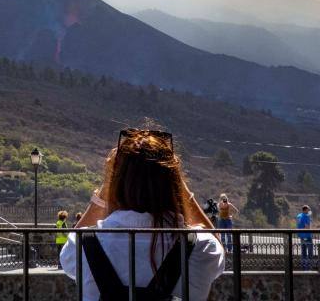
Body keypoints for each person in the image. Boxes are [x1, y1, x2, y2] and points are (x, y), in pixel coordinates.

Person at [60, 129, 225, 301]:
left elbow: (70, 245)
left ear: (117, 184)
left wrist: (105, 189)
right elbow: (218, 245)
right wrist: (182, 189)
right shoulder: (202, 247)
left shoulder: (82, 246)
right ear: (172, 185)